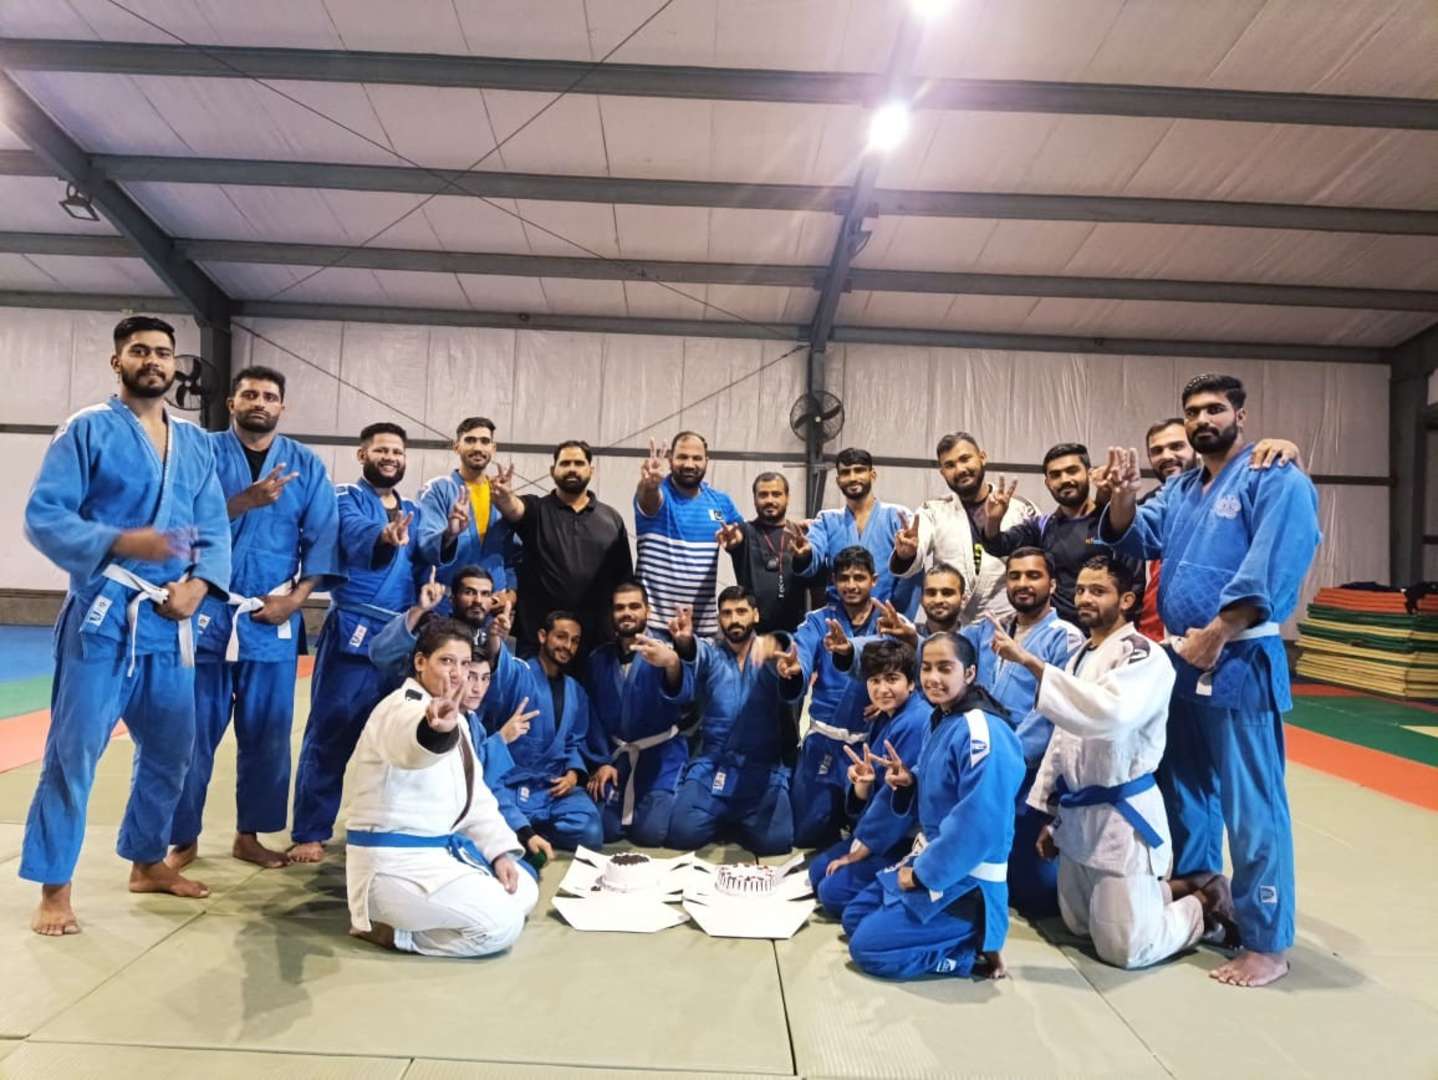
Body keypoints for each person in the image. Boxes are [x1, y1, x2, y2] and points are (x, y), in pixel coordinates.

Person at [1101, 373, 1321, 988]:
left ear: (1240, 416)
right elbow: (1137, 536)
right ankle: (1204, 885)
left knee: (1253, 805)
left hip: (1239, 656)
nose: (1203, 420)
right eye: (1193, 411)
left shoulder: (1273, 477)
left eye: (1214, 409)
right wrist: (1121, 497)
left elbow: (1275, 562)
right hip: (1182, 660)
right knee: (1187, 787)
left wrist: (1220, 630)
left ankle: (1267, 941)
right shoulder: (1181, 488)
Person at [22, 315, 231, 935]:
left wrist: (200, 586)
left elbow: (213, 527)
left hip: (170, 619)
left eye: (163, 353)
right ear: (118, 362)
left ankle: (146, 860)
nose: (153, 361)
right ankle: (55, 887)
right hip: (104, 615)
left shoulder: (195, 443)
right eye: (140, 351)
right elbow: (44, 516)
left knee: (173, 749)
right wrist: (119, 540)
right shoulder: (86, 429)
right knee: (74, 752)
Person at [991, 555, 1232, 969]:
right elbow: (1062, 739)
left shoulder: (1144, 655)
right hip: (1080, 815)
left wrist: (1031, 663)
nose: (1085, 598)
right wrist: (1050, 812)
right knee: (1078, 923)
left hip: (1123, 815)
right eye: (1082, 589)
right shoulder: (1080, 657)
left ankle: (1203, 906)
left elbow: (1109, 713)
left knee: (1124, 949)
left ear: (1126, 600)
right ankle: (1170, 891)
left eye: (1098, 591)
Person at [169, 366, 342, 872]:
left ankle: (250, 835)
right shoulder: (201, 452)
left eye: (269, 396)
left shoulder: (305, 465)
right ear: (232, 403)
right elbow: (177, 525)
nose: (259, 402)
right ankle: (182, 837)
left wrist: (297, 600)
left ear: (282, 406)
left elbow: (323, 539)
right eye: (250, 394)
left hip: (272, 615)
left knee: (268, 733)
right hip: (207, 607)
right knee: (191, 732)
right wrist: (243, 502)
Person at [345, 620, 538, 958]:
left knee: (525, 890)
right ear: (421, 662)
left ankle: (426, 918)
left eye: (464, 663)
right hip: (393, 866)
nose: (458, 673)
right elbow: (409, 747)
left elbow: (476, 799)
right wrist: (434, 731)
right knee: (503, 927)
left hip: (436, 855)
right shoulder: (402, 707)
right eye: (447, 661)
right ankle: (395, 934)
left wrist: (498, 852)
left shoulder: (456, 718)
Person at [841, 633, 1025, 980]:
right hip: (932, 854)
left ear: (969, 673)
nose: (932, 678)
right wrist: (910, 780)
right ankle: (944, 934)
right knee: (853, 918)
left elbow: (979, 823)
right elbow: (940, 784)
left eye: (944, 668)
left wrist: (922, 875)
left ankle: (967, 952)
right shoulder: (941, 717)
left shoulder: (983, 732)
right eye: (926, 668)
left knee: (868, 950)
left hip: (967, 880)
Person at [290, 422, 423, 863]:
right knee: (331, 732)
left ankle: (385, 825)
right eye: (382, 450)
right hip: (354, 631)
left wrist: (447, 537)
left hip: (401, 638)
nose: (390, 458)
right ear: (363, 455)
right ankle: (311, 831)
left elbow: (427, 558)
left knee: (397, 737)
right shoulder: (345, 497)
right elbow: (352, 532)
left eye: (397, 452)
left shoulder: (415, 511)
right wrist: (383, 536)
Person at [963, 548, 1085, 917]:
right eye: (1014, 576)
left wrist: (1006, 754)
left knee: (1035, 896)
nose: (1022, 583)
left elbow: (1054, 711)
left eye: (1033, 575)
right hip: (986, 763)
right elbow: (948, 654)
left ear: (1053, 584)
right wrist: (911, 638)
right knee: (983, 872)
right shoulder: (990, 627)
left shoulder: (1066, 637)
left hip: (1029, 771)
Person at [1138, 421, 1302, 644]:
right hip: (1156, 633)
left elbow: (1290, 525)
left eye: (1176, 446)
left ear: (1197, 448)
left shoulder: (1249, 482)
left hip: (1232, 638)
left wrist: (1292, 457)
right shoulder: (1154, 502)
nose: (1166, 455)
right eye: (1157, 450)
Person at [664, 588, 801, 854]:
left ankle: (733, 819)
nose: (734, 619)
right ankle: (730, 818)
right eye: (726, 613)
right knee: (682, 832)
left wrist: (777, 645)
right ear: (719, 619)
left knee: (777, 842)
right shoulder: (712, 652)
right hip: (714, 763)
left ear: (756, 615)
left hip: (761, 765)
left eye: (741, 611)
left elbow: (786, 647)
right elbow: (695, 653)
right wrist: (684, 644)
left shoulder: (770, 652)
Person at [806, 639, 930, 918]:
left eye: (892, 679)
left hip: (906, 837)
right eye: (874, 680)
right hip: (882, 832)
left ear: (912, 683)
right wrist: (861, 787)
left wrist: (858, 853)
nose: (882, 689)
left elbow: (895, 804)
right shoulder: (886, 716)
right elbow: (871, 791)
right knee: (817, 873)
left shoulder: (915, 722)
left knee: (832, 893)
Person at [781, 546, 886, 849]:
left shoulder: (888, 620)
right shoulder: (818, 620)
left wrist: (891, 699)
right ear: (834, 581)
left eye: (859, 577)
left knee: (868, 835)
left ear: (874, 580)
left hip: (871, 741)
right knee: (807, 834)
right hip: (826, 739)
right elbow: (801, 650)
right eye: (844, 578)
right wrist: (796, 669)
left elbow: (906, 668)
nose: (851, 585)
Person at [490, 440, 633, 657]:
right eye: (565, 463)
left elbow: (623, 580)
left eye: (579, 463)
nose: (572, 469)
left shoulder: (612, 519)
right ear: (552, 470)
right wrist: (504, 497)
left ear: (591, 470)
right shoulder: (536, 510)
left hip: (595, 642)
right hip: (539, 640)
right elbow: (513, 508)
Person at [980, 443, 1143, 627]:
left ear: (1089, 474)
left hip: (1106, 632)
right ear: (1047, 483)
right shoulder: (1041, 526)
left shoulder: (1114, 522)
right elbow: (997, 545)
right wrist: (993, 519)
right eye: (1055, 475)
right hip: (1059, 635)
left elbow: (1134, 584)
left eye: (1072, 471)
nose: (1065, 479)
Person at [582, 581, 692, 846]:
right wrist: (601, 762)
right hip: (618, 758)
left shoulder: (665, 650)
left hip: (661, 757)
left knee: (651, 833)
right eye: (620, 608)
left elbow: (684, 695)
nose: (627, 613)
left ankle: (681, 785)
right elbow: (593, 719)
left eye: (634, 606)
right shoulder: (598, 659)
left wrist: (672, 663)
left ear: (647, 611)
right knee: (605, 830)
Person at [484, 611, 604, 850]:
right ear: (542, 636)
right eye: (561, 637)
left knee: (591, 832)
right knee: (489, 814)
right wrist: (496, 639)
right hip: (512, 784)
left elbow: (574, 742)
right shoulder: (520, 673)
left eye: (574, 641)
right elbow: (502, 670)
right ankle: (523, 829)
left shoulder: (576, 690)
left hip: (551, 788)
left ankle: (529, 831)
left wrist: (572, 774)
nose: (567, 646)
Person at [891, 432, 1038, 624]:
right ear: (942, 472)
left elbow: (1039, 566)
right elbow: (914, 557)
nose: (960, 469)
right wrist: (906, 554)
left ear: (982, 457)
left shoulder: (1022, 509)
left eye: (965, 459)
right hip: (952, 624)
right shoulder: (932, 511)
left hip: (1008, 620)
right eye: (950, 465)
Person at [634, 432, 744, 637]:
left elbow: (740, 537)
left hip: (701, 631)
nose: (689, 464)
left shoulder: (720, 502)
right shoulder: (658, 492)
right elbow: (650, 500)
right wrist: (648, 486)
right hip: (652, 627)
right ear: (670, 459)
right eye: (682, 457)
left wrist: (735, 541)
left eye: (696, 458)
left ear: (706, 461)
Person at [460, 655, 552, 869]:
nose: (478, 688)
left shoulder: (474, 723)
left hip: (476, 818)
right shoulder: (445, 722)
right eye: (471, 677)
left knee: (528, 868)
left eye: (485, 678)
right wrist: (501, 739)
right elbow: (472, 781)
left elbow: (491, 787)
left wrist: (526, 832)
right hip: (449, 826)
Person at [804, 447, 918, 617]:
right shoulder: (826, 521)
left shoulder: (897, 517)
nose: (853, 478)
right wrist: (803, 554)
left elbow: (912, 575)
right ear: (838, 480)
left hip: (887, 619)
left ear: (873, 475)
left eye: (859, 470)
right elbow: (812, 556)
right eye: (846, 472)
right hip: (839, 621)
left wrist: (901, 619)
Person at [416, 416, 519, 600]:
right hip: (448, 601)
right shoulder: (437, 490)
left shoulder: (502, 495)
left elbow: (512, 554)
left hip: (492, 602)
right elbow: (424, 548)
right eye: (470, 440)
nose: (478, 447)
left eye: (485, 441)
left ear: (493, 448)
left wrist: (511, 592)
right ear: (456, 447)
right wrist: (449, 534)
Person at [369, 565, 498, 691]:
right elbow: (380, 654)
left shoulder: (490, 639)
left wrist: (495, 639)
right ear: (452, 598)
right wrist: (420, 609)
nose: (478, 600)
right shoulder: (430, 630)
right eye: (469, 592)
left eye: (485, 594)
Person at [717, 471, 818, 633]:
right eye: (763, 495)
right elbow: (734, 541)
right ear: (755, 499)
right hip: (752, 634)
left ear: (787, 497)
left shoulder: (799, 534)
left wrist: (806, 553)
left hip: (796, 632)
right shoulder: (745, 532)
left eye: (776, 494)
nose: (770, 500)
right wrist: (731, 541)